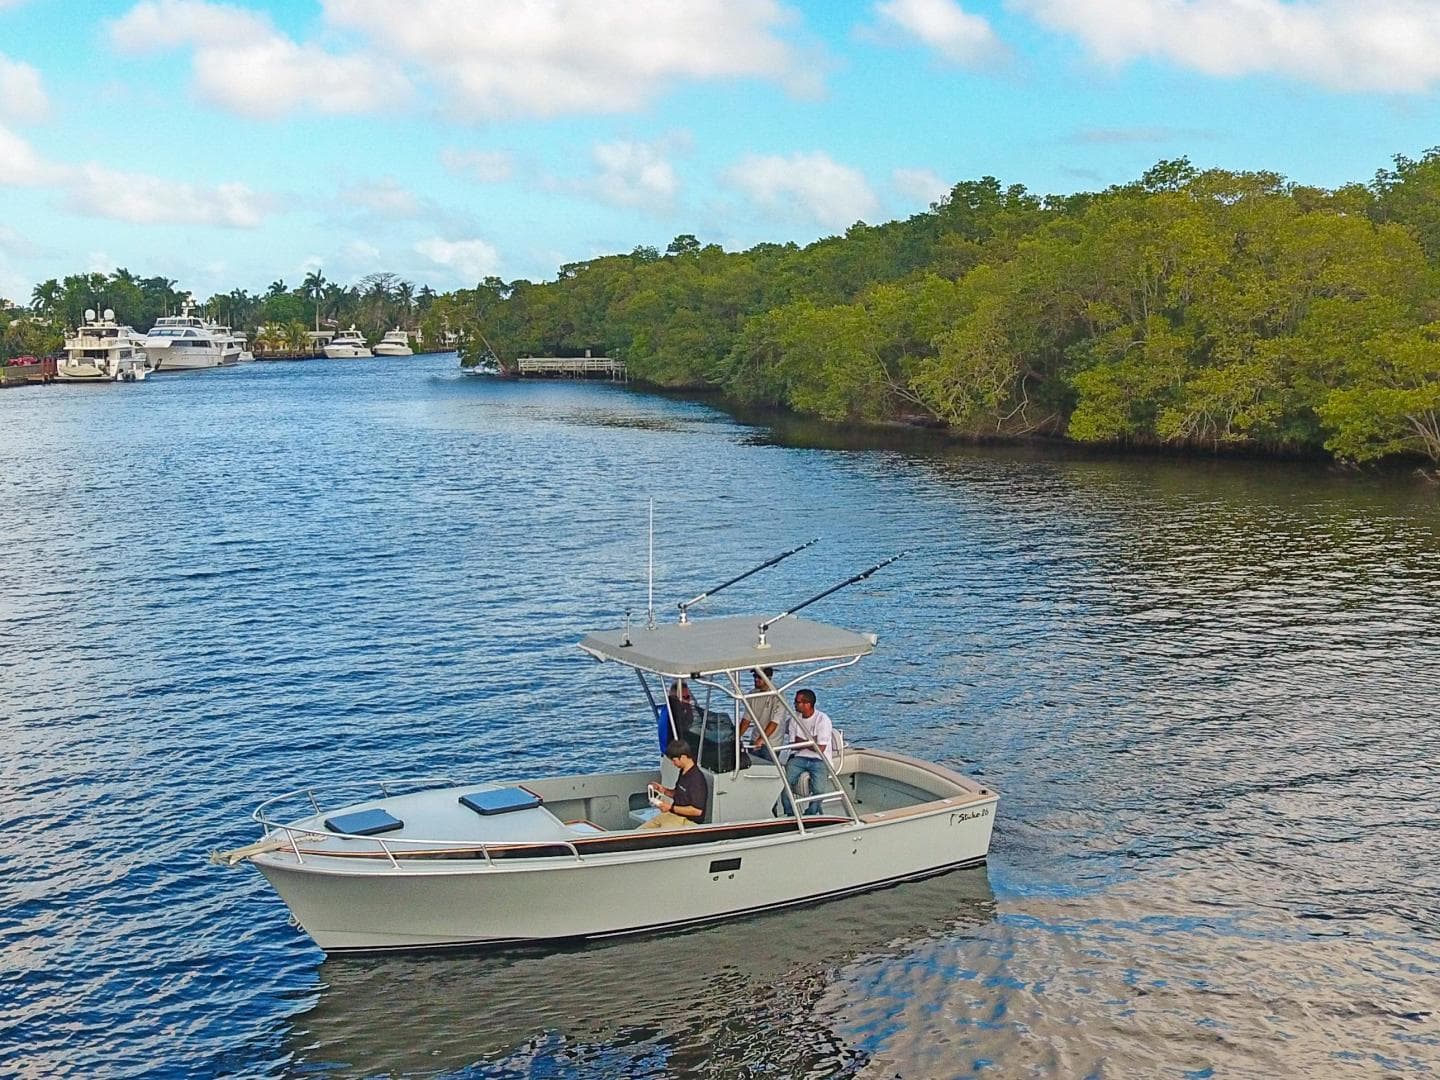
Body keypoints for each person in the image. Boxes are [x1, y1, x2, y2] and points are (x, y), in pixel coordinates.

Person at [776, 689, 833, 817]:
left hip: (820, 759)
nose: (794, 704)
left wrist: (802, 741)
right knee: (783, 784)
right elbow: (794, 745)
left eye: (797, 702)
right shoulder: (794, 719)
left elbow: (821, 749)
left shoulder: (823, 720)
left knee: (819, 789)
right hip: (800, 758)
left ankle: (810, 814)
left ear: (808, 704)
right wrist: (812, 741)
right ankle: (790, 814)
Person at [640, 739, 709, 829]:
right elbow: (679, 794)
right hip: (672, 815)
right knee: (641, 830)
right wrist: (663, 790)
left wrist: (670, 808)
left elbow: (697, 811)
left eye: (674, 760)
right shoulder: (683, 772)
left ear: (683, 757)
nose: (673, 763)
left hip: (686, 820)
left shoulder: (697, 780)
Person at [738, 667, 782, 761]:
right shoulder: (752, 694)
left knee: (767, 769)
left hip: (772, 743)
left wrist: (762, 739)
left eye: (759, 677)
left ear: (768, 678)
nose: (756, 679)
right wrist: (736, 737)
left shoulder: (777, 695)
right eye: (754, 676)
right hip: (755, 739)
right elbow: (746, 720)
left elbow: (774, 722)